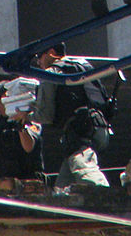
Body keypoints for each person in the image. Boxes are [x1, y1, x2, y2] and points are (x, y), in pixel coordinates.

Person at [34, 43, 112, 190]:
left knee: (83, 167)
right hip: (99, 127)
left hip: (79, 130)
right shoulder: (82, 64)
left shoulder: (51, 72)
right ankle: (61, 208)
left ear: (51, 52)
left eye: (39, 57)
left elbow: (46, 116)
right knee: (63, 185)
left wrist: (25, 115)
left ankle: (107, 196)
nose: (39, 63)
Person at [0, 81, 45, 181]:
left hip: (27, 181)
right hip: (2, 181)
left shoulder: (28, 119)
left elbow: (29, 147)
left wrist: (20, 127)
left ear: (5, 98)